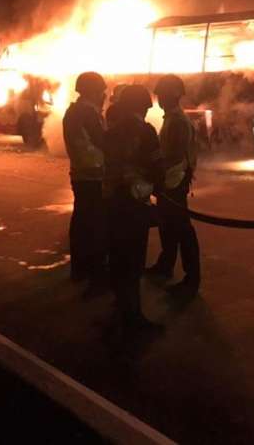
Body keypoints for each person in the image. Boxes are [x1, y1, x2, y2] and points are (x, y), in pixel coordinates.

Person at [104, 84, 165, 331]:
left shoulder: (110, 132)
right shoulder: (146, 132)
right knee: (133, 262)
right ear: (143, 107)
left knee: (118, 258)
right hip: (134, 205)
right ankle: (133, 319)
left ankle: (120, 309)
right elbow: (156, 167)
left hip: (112, 203)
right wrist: (159, 189)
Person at [145, 74, 201, 298]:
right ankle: (165, 264)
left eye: (164, 95)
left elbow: (175, 155)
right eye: (160, 95)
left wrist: (156, 173)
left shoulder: (178, 121)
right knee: (167, 226)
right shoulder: (171, 119)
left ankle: (191, 279)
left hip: (174, 182)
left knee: (182, 230)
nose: (160, 99)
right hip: (169, 180)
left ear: (174, 96)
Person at [62, 71, 107, 289]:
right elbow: (103, 141)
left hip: (80, 173)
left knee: (81, 221)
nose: (103, 95)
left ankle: (79, 269)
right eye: (101, 91)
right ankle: (96, 273)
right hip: (94, 174)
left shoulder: (72, 111)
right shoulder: (88, 112)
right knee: (95, 225)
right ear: (94, 91)